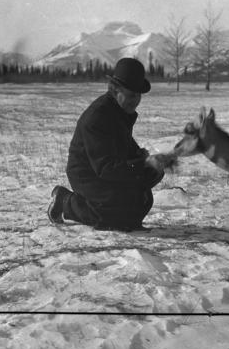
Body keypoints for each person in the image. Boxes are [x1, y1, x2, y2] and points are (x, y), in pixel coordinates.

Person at [47, 57, 166, 232]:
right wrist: (144, 164)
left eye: (139, 95)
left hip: (108, 171)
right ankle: (65, 202)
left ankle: (121, 215)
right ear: (114, 90)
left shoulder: (119, 111)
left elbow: (122, 146)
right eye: (132, 95)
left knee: (141, 201)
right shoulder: (98, 117)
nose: (136, 100)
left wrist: (143, 157)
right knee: (113, 217)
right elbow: (105, 168)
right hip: (87, 174)